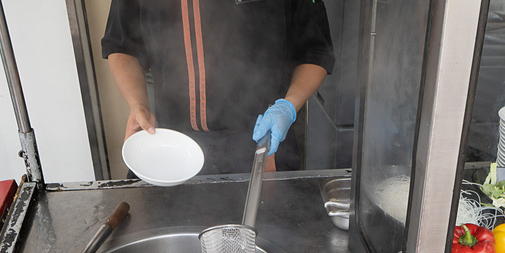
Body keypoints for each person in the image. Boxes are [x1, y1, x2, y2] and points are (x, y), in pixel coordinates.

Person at [102, 0, 335, 175]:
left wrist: (288, 106)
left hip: (264, 144)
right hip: (174, 145)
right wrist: (138, 104)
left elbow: (315, 51)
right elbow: (122, 46)